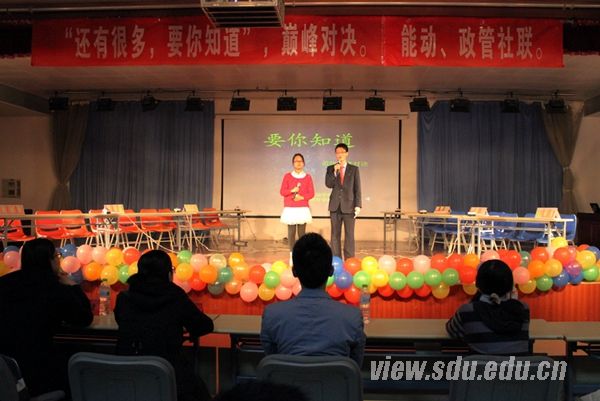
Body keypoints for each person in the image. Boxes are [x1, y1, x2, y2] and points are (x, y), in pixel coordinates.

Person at [115, 250, 214, 401]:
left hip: (127, 373)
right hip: (168, 372)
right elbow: (204, 325)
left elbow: (124, 322)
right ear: (168, 274)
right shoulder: (175, 296)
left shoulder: (124, 298)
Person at [0, 238, 93, 397]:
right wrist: (73, 286)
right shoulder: (54, 287)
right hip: (39, 366)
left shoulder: (5, 283)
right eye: (56, 256)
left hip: (6, 365)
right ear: (49, 261)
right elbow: (84, 318)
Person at [260, 233, 365, 366]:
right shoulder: (352, 317)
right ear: (331, 271)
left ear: (294, 272)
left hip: (287, 379)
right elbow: (355, 367)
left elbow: (273, 363)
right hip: (335, 380)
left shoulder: (272, 315)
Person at [446, 259, 530, 355]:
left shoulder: (467, 311)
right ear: (511, 286)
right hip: (516, 365)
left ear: (478, 284)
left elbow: (452, 331)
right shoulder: (522, 308)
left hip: (480, 365)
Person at [325, 143, 362, 259]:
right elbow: (328, 184)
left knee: (349, 235)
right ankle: (336, 259)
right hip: (334, 206)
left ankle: (350, 260)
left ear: (347, 153)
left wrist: (358, 205)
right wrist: (334, 172)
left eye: (342, 152)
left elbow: (357, 188)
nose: (339, 154)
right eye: (337, 152)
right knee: (335, 234)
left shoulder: (354, 169)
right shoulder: (330, 168)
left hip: (349, 206)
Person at [280, 153, 315, 263]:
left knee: (301, 234)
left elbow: (312, 193)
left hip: (302, 208)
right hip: (290, 208)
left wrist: (302, 197)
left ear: (303, 163)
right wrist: (292, 190)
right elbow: (282, 192)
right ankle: (292, 255)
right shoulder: (287, 176)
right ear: (293, 163)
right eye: (296, 161)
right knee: (291, 233)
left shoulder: (308, 177)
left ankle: (302, 254)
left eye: (300, 161)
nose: (298, 163)